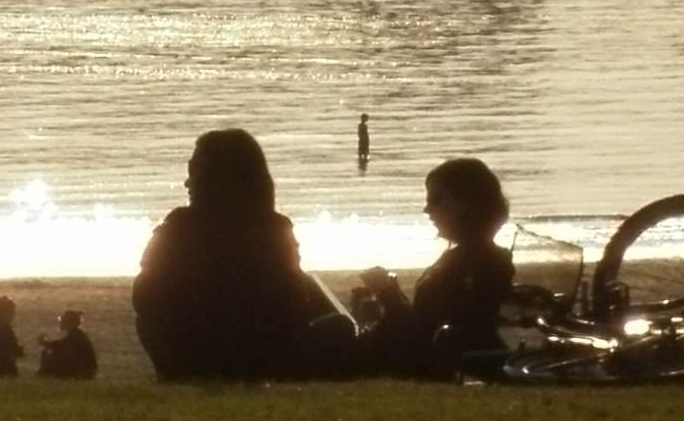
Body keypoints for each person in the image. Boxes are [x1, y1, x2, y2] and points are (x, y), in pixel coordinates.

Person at [132, 127, 351, 381]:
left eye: (194, 172)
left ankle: (177, 376)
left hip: (190, 358)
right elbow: (294, 308)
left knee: (146, 322)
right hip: (261, 359)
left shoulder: (178, 226)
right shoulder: (273, 228)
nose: (187, 182)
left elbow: (144, 297)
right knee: (341, 327)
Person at [355, 157, 514, 377]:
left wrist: (388, 295)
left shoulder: (470, 265)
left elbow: (425, 336)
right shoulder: (477, 258)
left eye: (436, 199)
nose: (426, 209)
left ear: (466, 203)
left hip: (420, 364)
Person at [38, 309, 99, 379]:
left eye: (63, 320)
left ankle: (44, 373)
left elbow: (61, 346)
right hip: (86, 370)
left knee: (56, 354)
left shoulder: (76, 335)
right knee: (52, 353)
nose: (60, 322)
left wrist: (45, 343)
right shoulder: (77, 334)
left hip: (84, 371)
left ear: (70, 323)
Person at [0, 295, 24, 377]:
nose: (13, 315)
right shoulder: (3, 329)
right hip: (4, 368)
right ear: (2, 313)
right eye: (11, 312)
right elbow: (7, 349)